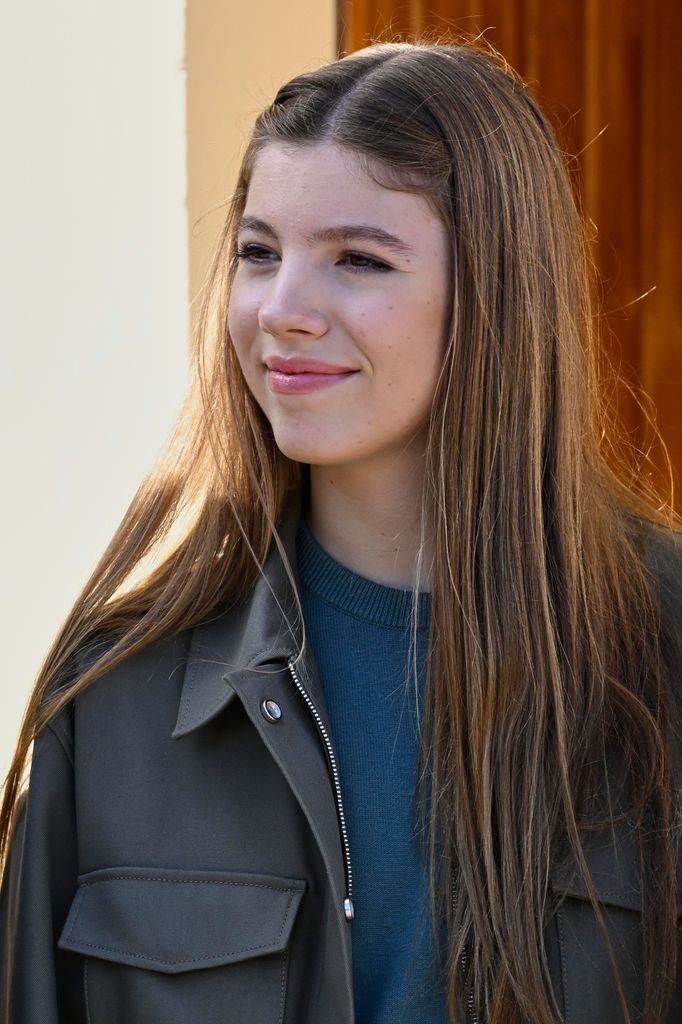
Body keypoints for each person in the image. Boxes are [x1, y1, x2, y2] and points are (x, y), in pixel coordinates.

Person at [1, 37, 681, 1024]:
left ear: (499, 293)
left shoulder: (661, 661)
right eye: (257, 253)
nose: (281, 311)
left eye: (358, 259)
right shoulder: (113, 698)